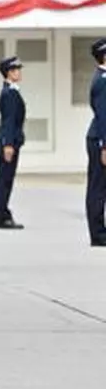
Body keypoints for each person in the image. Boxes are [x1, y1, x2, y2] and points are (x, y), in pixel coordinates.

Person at [0, 56, 26, 230]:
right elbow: (9, 120)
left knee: (6, 180)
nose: (19, 73)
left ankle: (4, 214)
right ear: (9, 72)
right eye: (16, 70)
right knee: (4, 181)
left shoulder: (12, 90)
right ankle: (3, 217)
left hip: (11, 141)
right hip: (8, 142)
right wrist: (8, 144)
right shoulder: (9, 93)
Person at [84, 38, 106, 247]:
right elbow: (103, 115)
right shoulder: (102, 80)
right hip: (100, 138)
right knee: (98, 187)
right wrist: (104, 145)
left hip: (100, 137)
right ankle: (98, 234)